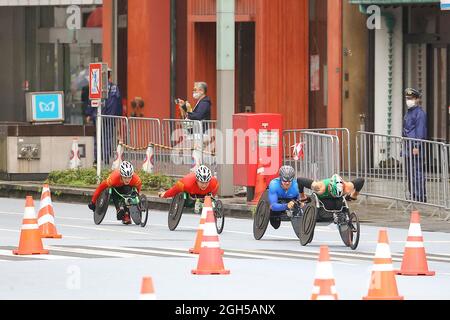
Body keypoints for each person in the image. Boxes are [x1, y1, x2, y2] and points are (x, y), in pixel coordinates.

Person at [85, 68, 123, 165]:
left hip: (99, 117)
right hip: (109, 118)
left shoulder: (96, 87)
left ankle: (98, 158)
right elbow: (118, 104)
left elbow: (91, 101)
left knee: (99, 138)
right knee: (106, 138)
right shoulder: (114, 88)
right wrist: (118, 116)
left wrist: (89, 114)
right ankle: (104, 158)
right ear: (109, 76)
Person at [402, 88, 427, 203]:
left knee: (417, 172)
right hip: (408, 147)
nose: (408, 100)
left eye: (411, 98)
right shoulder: (409, 112)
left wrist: (416, 145)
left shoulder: (420, 113)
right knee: (410, 173)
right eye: (407, 98)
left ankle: (420, 196)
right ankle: (413, 194)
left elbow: (420, 130)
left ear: (417, 99)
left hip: (414, 147)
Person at [297, 174, 365, 211]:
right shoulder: (319, 187)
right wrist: (302, 195)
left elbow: (361, 180)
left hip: (338, 200)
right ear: (329, 187)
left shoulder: (347, 187)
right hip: (322, 200)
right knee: (329, 205)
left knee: (339, 205)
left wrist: (354, 195)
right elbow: (300, 180)